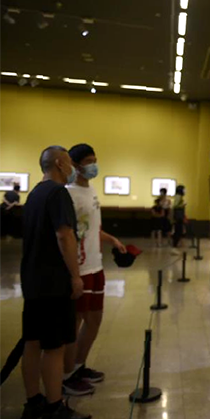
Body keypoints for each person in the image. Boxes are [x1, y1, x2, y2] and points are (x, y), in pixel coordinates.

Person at [20, 146, 90, 419]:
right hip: (53, 282)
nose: (72, 167)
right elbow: (64, 236)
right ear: (60, 163)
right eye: (70, 162)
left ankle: (33, 401)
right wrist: (75, 275)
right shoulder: (58, 193)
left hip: (32, 280)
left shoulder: (35, 194)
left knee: (32, 342)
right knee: (54, 346)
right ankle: (54, 406)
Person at [62, 144, 126, 396]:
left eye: (95, 160)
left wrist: (113, 240)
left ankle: (79, 366)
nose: (93, 166)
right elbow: (66, 235)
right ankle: (66, 376)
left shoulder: (91, 191)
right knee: (75, 321)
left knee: (95, 319)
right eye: (88, 161)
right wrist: (73, 274)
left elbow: (91, 229)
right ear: (75, 165)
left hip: (96, 265)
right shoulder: (68, 194)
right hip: (80, 267)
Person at [171, 184, 186, 253]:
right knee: (178, 230)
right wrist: (183, 205)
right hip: (178, 217)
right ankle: (174, 245)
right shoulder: (178, 196)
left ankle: (175, 244)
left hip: (178, 216)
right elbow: (175, 205)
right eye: (184, 189)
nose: (185, 191)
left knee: (178, 230)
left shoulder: (178, 196)